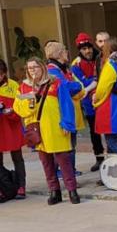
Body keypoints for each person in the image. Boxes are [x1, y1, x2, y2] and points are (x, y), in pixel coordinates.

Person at [14, 57, 82, 205]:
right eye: (29, 68)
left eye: (35, 67)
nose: (32, 71)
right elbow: (18, 108)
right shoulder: (23, 87)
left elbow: (66, 104)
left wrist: (67, 124)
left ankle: (72, 190)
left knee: (64, 161)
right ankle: (54, 191)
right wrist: (30, 105)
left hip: (56, 127)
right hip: (37, 130)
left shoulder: (55, 82)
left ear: (43, 68)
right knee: (46, 162)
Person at [47, 42, 87, 176]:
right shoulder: (52, 71)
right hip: (62, 115)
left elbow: (77, 86)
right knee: (66, 147)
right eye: (64, 50)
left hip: (70, 113)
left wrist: (75, 85)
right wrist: (75, 85)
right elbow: (72, 87)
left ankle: (69, 172)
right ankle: (67, 173)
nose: (67, 52)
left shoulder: (63, 69)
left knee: (70, 146)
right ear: (58, 54)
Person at [70, 32, 104, 171]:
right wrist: (95, 81)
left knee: (111, 131)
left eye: (89, 47)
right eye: (84, 49)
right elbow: (82, 83)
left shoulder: (100, 58)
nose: (87, 51)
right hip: (89, 103)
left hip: (104, 99)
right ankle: (99, 158)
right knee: (94, 132)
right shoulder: (76, 64)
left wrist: (95, 82)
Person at [0, 59, 26, 199]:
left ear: (4, 74)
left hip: (12, 126)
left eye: (0, 74)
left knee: (18, 157)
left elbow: (21, 107)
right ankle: (3, 188)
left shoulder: (14, 86)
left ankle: (21, 186)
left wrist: (9, 111)